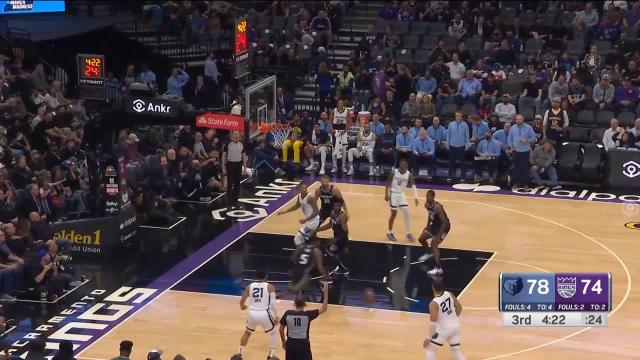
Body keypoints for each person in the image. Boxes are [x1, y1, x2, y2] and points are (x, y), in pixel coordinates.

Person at [279, 283, 329, 360]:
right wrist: (325, 292)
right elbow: (324, 308)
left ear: (294, 303)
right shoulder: (308, 315)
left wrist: (283, 341)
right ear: (305, 304)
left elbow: (281, 329)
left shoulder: (287, 313)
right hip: (303, 344)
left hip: (291, 343)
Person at [236, 269, 279, 360]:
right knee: (273, 333)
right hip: (264, 313)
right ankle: (270, 356)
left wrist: (242, 306)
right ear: (266, 276)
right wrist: (275, 316)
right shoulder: (270, 287)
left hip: (252, 313)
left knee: (247, 332)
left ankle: (239, 354)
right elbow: (273, 303)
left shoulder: (249, 286)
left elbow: (242, 300)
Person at [423, 279, 465, 360]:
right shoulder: (450, 294)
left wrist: (430, 338)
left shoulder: (434, 303)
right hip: (456, 326)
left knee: (430, 350)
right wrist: (453, 318)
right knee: (456, 350)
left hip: (444, 329)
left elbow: (433, 322)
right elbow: (459, 308)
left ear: (433, 288)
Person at [385, 159, 419, 242]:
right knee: (394, 214)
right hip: (393, 193)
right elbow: (388, 183)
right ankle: (389, 233)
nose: (404, 167)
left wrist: (416, 197)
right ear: (400, 166)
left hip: (401, 194)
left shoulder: (409, 174)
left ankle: (408, 233)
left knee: (406, 212)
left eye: (405, 166)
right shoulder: (393, 172)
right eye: (402, 166)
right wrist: (386, 194)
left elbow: (413, 186)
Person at [418, 190, 451, 276]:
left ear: (433, 197)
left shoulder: (438, 207)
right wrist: (427, 226)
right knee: (421, 239)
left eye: (429, 196)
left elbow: (444, 222)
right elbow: (430, 215)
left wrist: (438, 235)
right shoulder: (427, 204)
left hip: (444, 227)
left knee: (434, 244)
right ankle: (429, 253)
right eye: (426, 196)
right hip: (435, 225)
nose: (427, 198)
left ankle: (438, 269)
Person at [277, 183, 320, 249]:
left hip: (313, 222)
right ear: (299, 190)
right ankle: (310, 252)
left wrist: (305, 219)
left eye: (305, 188)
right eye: (302, 188)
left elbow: (317, 211)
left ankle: (302, 253)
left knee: (298, 238)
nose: (305, 190)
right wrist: (285, 211)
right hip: (308, 222)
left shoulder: (310, 198)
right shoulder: (299, 196)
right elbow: (296, 206)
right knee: (309, 238)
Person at [507, 114, 537, 188]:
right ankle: (515, 183)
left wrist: (527, 141)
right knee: (516, 168)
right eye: (517, 119)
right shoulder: (512, 128)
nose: (518, 121)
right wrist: (511, 147)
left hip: (526, 151)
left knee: (525, 168)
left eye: (519, 119)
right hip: (516, 151)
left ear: (523, 120)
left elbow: (533, 138)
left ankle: (525, 184)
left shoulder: (528, 128)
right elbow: (509, 139)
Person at [222, 131, 247, 210]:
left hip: (238, 165)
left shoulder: (242, 144)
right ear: (232, 136)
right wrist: (223, 167)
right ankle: (229, 203)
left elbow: (244, 156)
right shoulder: (228, 144)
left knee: (237, 184)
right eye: (235, 134)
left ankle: (235, 201)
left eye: (237, 135)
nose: (236, 136)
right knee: (230, 184)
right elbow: (224, 155)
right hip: (230, 164)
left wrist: (245, 168)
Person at [445, 112, 470, 183]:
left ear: (461, 117)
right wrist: (447, 144)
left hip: (461, 146)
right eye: (457, 116)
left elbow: (467, 136)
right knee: (451, 162)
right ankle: (450, 176)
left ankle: (463, 177)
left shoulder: (465, 125)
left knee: (462, 163)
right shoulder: (451, 124)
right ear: (455, 116)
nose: (458, 117)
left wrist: (467, 144)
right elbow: (448, 135)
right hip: (452, 145)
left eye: (460, 116)